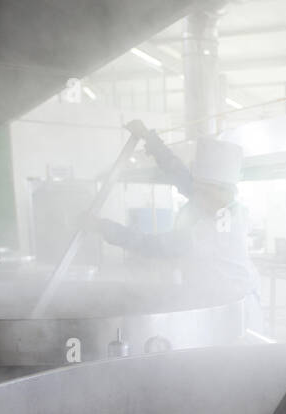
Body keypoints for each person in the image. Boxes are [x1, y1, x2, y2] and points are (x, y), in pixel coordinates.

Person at [87, 124, 261, 320]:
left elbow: (153, 245)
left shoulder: (216, 229)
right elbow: (182, 177)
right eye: (198, 188)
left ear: (222, 191)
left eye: (203, 190)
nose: (196, 195)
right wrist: (152, 141)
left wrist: (103, 227)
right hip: (214, 303)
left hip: (231, 312)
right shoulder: (222, 206)